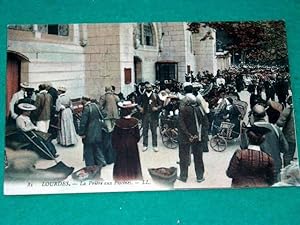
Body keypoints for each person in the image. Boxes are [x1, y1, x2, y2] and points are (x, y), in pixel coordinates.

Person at [247, 104, 288, 180]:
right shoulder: (275, 129)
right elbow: (285, 148)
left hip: (257, 168)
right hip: (275, 166)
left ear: (252, 115)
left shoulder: (248, 131)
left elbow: (244, 148)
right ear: (265, 115)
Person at [177, 84, 206, 183]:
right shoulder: (199, 109)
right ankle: (200, 177)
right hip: (197, 136)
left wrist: (188, 135)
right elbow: (205, 123)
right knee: (198, 157)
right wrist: (198, 134)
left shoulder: (183, 109)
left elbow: (181, 124)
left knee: (183, 157)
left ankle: (183, 177)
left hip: (185, 137)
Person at [112, 101, 143, 181]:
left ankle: (122, 178)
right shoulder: (135, 121)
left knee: (122, 162)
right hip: (132, 145)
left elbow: (114, 138)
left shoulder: (118, 122)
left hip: (121, 145)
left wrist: (116, 146)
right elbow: (137, 137)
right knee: (133, 162)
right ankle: (133, 177)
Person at [78, 97, 107, 167]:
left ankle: (90, 164)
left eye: (82, 100)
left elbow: (83, 123)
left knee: (88, 149)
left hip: (89, 132)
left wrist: (81, 133)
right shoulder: (96, 106)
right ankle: (101, 162)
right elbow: (104, 114)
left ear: (84, 100)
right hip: (98, 130)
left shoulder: (87, 108)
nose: (81, 101)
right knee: (97, 146)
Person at [138, 82, 162, 152]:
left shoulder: (155, 95)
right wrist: (140, 108)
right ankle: (145, 145)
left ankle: (155, 145)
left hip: (153, 116)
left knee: (154, 131)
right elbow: (137, 104)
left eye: (150, 87)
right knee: (145, 130)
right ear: (145, 88)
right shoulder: (142, 96)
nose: (149, 89)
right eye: (147, 88)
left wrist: (157, 108)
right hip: (145, 115)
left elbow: (160, 104)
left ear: (152, 88)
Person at [99, 86, 120, 164]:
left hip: (107, 116)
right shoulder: (114, 96)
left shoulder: (103, 97)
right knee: (114, 131)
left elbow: (100, 106)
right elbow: (119, 101)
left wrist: (103, 113)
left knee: (108, 131)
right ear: (111, 90)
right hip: (115, 116)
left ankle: (109, 147)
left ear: (105, 90)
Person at [276, 96, 296, 167]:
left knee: (288, 155)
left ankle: (287, 171)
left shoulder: (289, 110)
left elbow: (280, 123)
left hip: (290, 136)